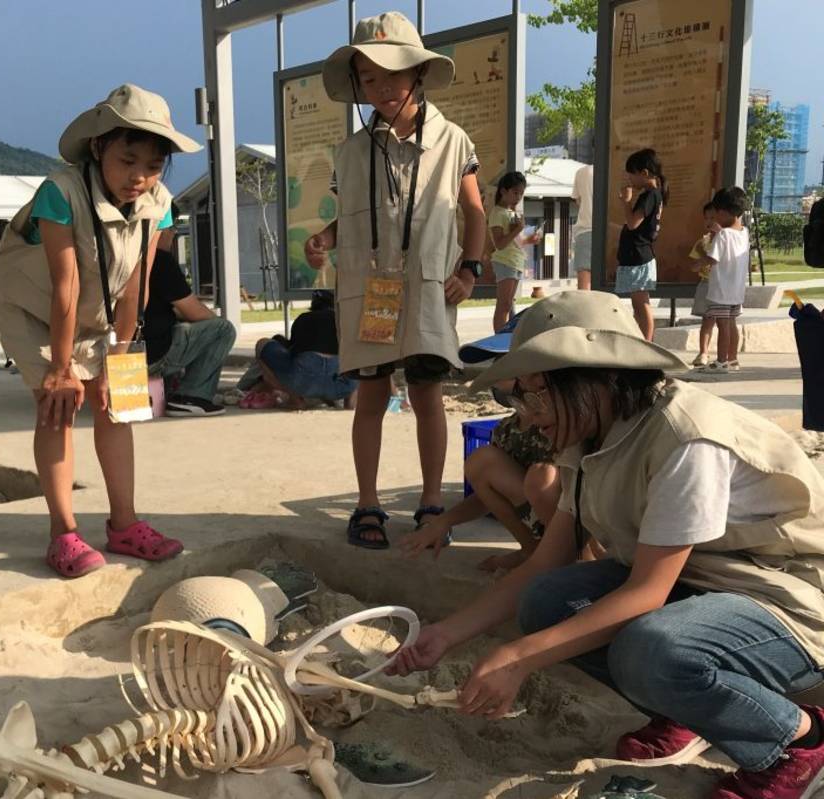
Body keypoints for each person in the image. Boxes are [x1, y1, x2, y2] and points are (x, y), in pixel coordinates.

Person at [390, 291, 824, 799]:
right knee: (546, 602)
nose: (526, 417)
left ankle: (799, 743)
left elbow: (646, 594)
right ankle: (680, 710)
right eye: (518, 398)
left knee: (653, 648)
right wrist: (446, 633)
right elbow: (546, 563)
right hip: (701, 584)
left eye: (534, 395)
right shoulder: (591, 436)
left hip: (785, 596)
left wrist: (517, 659)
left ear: (593, 381)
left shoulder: (685, 437)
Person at [0, 84, 199, 578]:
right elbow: (63, 288)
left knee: (117, 409)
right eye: (128, 160)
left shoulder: (158, 203)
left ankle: (124, 524)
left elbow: (135, 289)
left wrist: (117, 362)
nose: (139, 177)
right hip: (36, 309)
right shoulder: (60, 193)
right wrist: (62, 371)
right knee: (58, 408)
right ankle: (63, 533)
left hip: (98, 312)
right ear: (99, 146)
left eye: (152, 165)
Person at [304, 11, 485, 550]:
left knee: (428, 392)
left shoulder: (453, 141)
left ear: (418, 74)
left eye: (392, 73)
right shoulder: (352, 150)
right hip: (370, 289)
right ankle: (367, 502)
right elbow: (356, 214)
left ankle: (432, 501)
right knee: (371, 395)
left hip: (429, 286)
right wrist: (327, 238)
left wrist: (469, 268)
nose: (381, 88)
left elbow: (473, 212)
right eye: (368, 77)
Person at [401, 315, 558, 571]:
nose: (499, 371)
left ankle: (564, 556)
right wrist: (444, 521)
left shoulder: (567, 423)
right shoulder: (508, 429)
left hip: (579, 528)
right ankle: (533, 551)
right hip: (546, 525)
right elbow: (489, 493)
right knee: (482, 462)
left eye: (509, 362)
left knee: (543, 477)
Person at [144, 203, 235, 417]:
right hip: (153, 356)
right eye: (172, 227)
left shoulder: (127, 258)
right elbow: (196, 312)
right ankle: (193, 396)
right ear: (161, 228)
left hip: (121, 356)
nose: (173, 234)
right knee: (222, 329)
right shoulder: (160, 261)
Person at [243, 290, 357, 410]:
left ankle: (296, 400)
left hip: (302, 382)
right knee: (358, 360)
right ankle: (350, 403)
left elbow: (293, 353)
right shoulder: (344, 321)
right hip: (341, 387)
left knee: (262, 343)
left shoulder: (304, 318)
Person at [692, 187, 751, 373]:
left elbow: (713, 258)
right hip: (736, 290)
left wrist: (698, 264)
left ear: (723, 212)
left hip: (721, 290)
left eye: (716, 212)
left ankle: (721, 361)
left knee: (722, 325)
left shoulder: (723, 235)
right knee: (732, 325)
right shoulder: (744, 232)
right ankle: (733, 359)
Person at [614, 148, 667, 341]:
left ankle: (647, 342)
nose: (630, 180)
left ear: (644, 173)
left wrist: (626, 203)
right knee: (638, 304)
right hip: (636, 255)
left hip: (639, 255)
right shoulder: (653, 195)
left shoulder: (650, 195)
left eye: (632, 175)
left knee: (641, 304)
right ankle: (643, 340)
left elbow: (633, 223)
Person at [487, 172, 538, 333]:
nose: (518, 197)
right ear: (503, 191)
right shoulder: (497, 213)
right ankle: (498, 340)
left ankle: (506, 338)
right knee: (504, 304)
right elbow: (500, 244)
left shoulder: (512, 213)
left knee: (509, 303)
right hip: (505, 261)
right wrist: (519, 229)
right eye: (515, 192)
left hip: (515, 262)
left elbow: (517, 243)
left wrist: (529, 240)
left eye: (521, 194)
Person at [689, 201, 719, 368]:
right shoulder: (702, 242)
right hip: (706, 284)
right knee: (707, 321)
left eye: (713, 218)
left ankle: (728, 356)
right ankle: (703, 352)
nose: (709, 221)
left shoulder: (725, 239)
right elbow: (693, 265)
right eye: (706, 218)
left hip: (722, 287)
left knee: (724, 322)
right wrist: (701, 262)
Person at [570, 162, 594, 290]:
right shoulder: (615, 171)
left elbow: (577, 200)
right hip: (610, 230)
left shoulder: (582, 172)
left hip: (585, 229)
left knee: (584, 286)